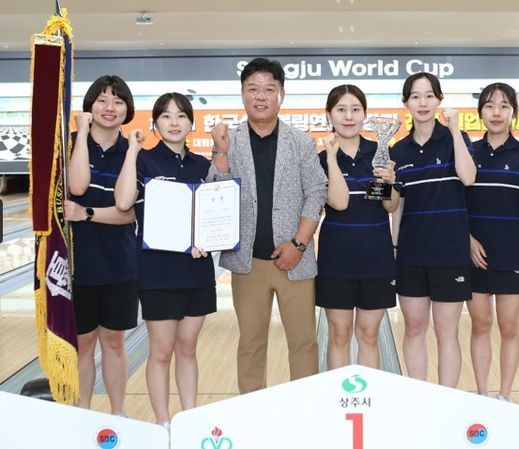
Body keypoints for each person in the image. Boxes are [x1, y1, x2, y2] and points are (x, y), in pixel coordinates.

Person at [208, 58, 327, 393]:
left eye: (268, 89)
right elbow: (216, 193)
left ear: (281, 95)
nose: (260, 96)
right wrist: (220, 153)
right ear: (243, 95)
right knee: (250, 343)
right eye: (253, 89)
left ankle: (304, 408)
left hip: (295, 261)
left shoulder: (300, 142)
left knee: (304, 343)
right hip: (247, 264)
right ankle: (251, 411)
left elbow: (316, 193)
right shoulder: (229, 140)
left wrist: (298, 245)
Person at [114, 92, 217, 428]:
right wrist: (132, 152)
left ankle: (188, 418)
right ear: (155, 123)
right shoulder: (144, 160)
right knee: (161, 351)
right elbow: (124, 202)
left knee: (187, 348)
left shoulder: (203, 166)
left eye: (181, 116)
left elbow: (214, 216)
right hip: (157, 271)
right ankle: (163, 422)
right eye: (166, 116)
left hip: (196, 270)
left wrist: (208, 239)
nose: (174, 122)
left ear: (191, 123)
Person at [391, 72, 476, 387]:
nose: (423, 102)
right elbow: (396, 205)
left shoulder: (456, 139)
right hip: (411, 254)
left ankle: (446, 399)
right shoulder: (398, 151)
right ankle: (419, 396)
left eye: (429, 95)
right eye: (415, 96)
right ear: (406, 103)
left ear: (439, 99)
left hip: (450, 253)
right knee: (414, 328)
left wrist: (454, 130)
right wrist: (394, 247)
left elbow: (468, 177)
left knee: (446, 331)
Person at [65, 75, 137, 416]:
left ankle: (118, 413)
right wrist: (80, 134)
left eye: (118, 101)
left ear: (127, 109)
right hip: (76, 264)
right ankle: (83, 411)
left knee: (114, 341)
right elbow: (77, 186)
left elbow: (129, 212)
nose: (110, 108)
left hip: (119, 262)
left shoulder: (132, 152)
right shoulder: (69, 145)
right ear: (90, 105)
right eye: (102, 100)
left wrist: (87, 214)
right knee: (82, 343)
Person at [465, 82, 519, 402]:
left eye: (504, 106)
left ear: (514, 112)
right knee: (480, 324)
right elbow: (457, 203)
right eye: (489, 105)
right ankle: (483, 393)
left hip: (512, 252)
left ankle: (505, 395)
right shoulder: (469, 152)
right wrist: (467, 240)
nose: (496, 112)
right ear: (480, 112)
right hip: (475, 253)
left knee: (509, 326)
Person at [316, 84, 398, 370]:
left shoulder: (379, 153)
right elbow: (338, 203)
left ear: (365, 114)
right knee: (339, 334)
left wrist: (389, 183)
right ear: (329, 115)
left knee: (369, 334)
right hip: (336, 260)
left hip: (376, 258)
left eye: (355, 109)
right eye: (341, 110)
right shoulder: (320, 160)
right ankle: (340, 395)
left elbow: (390, 206)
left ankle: (368, 394)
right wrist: (331, 157)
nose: (348, 116)